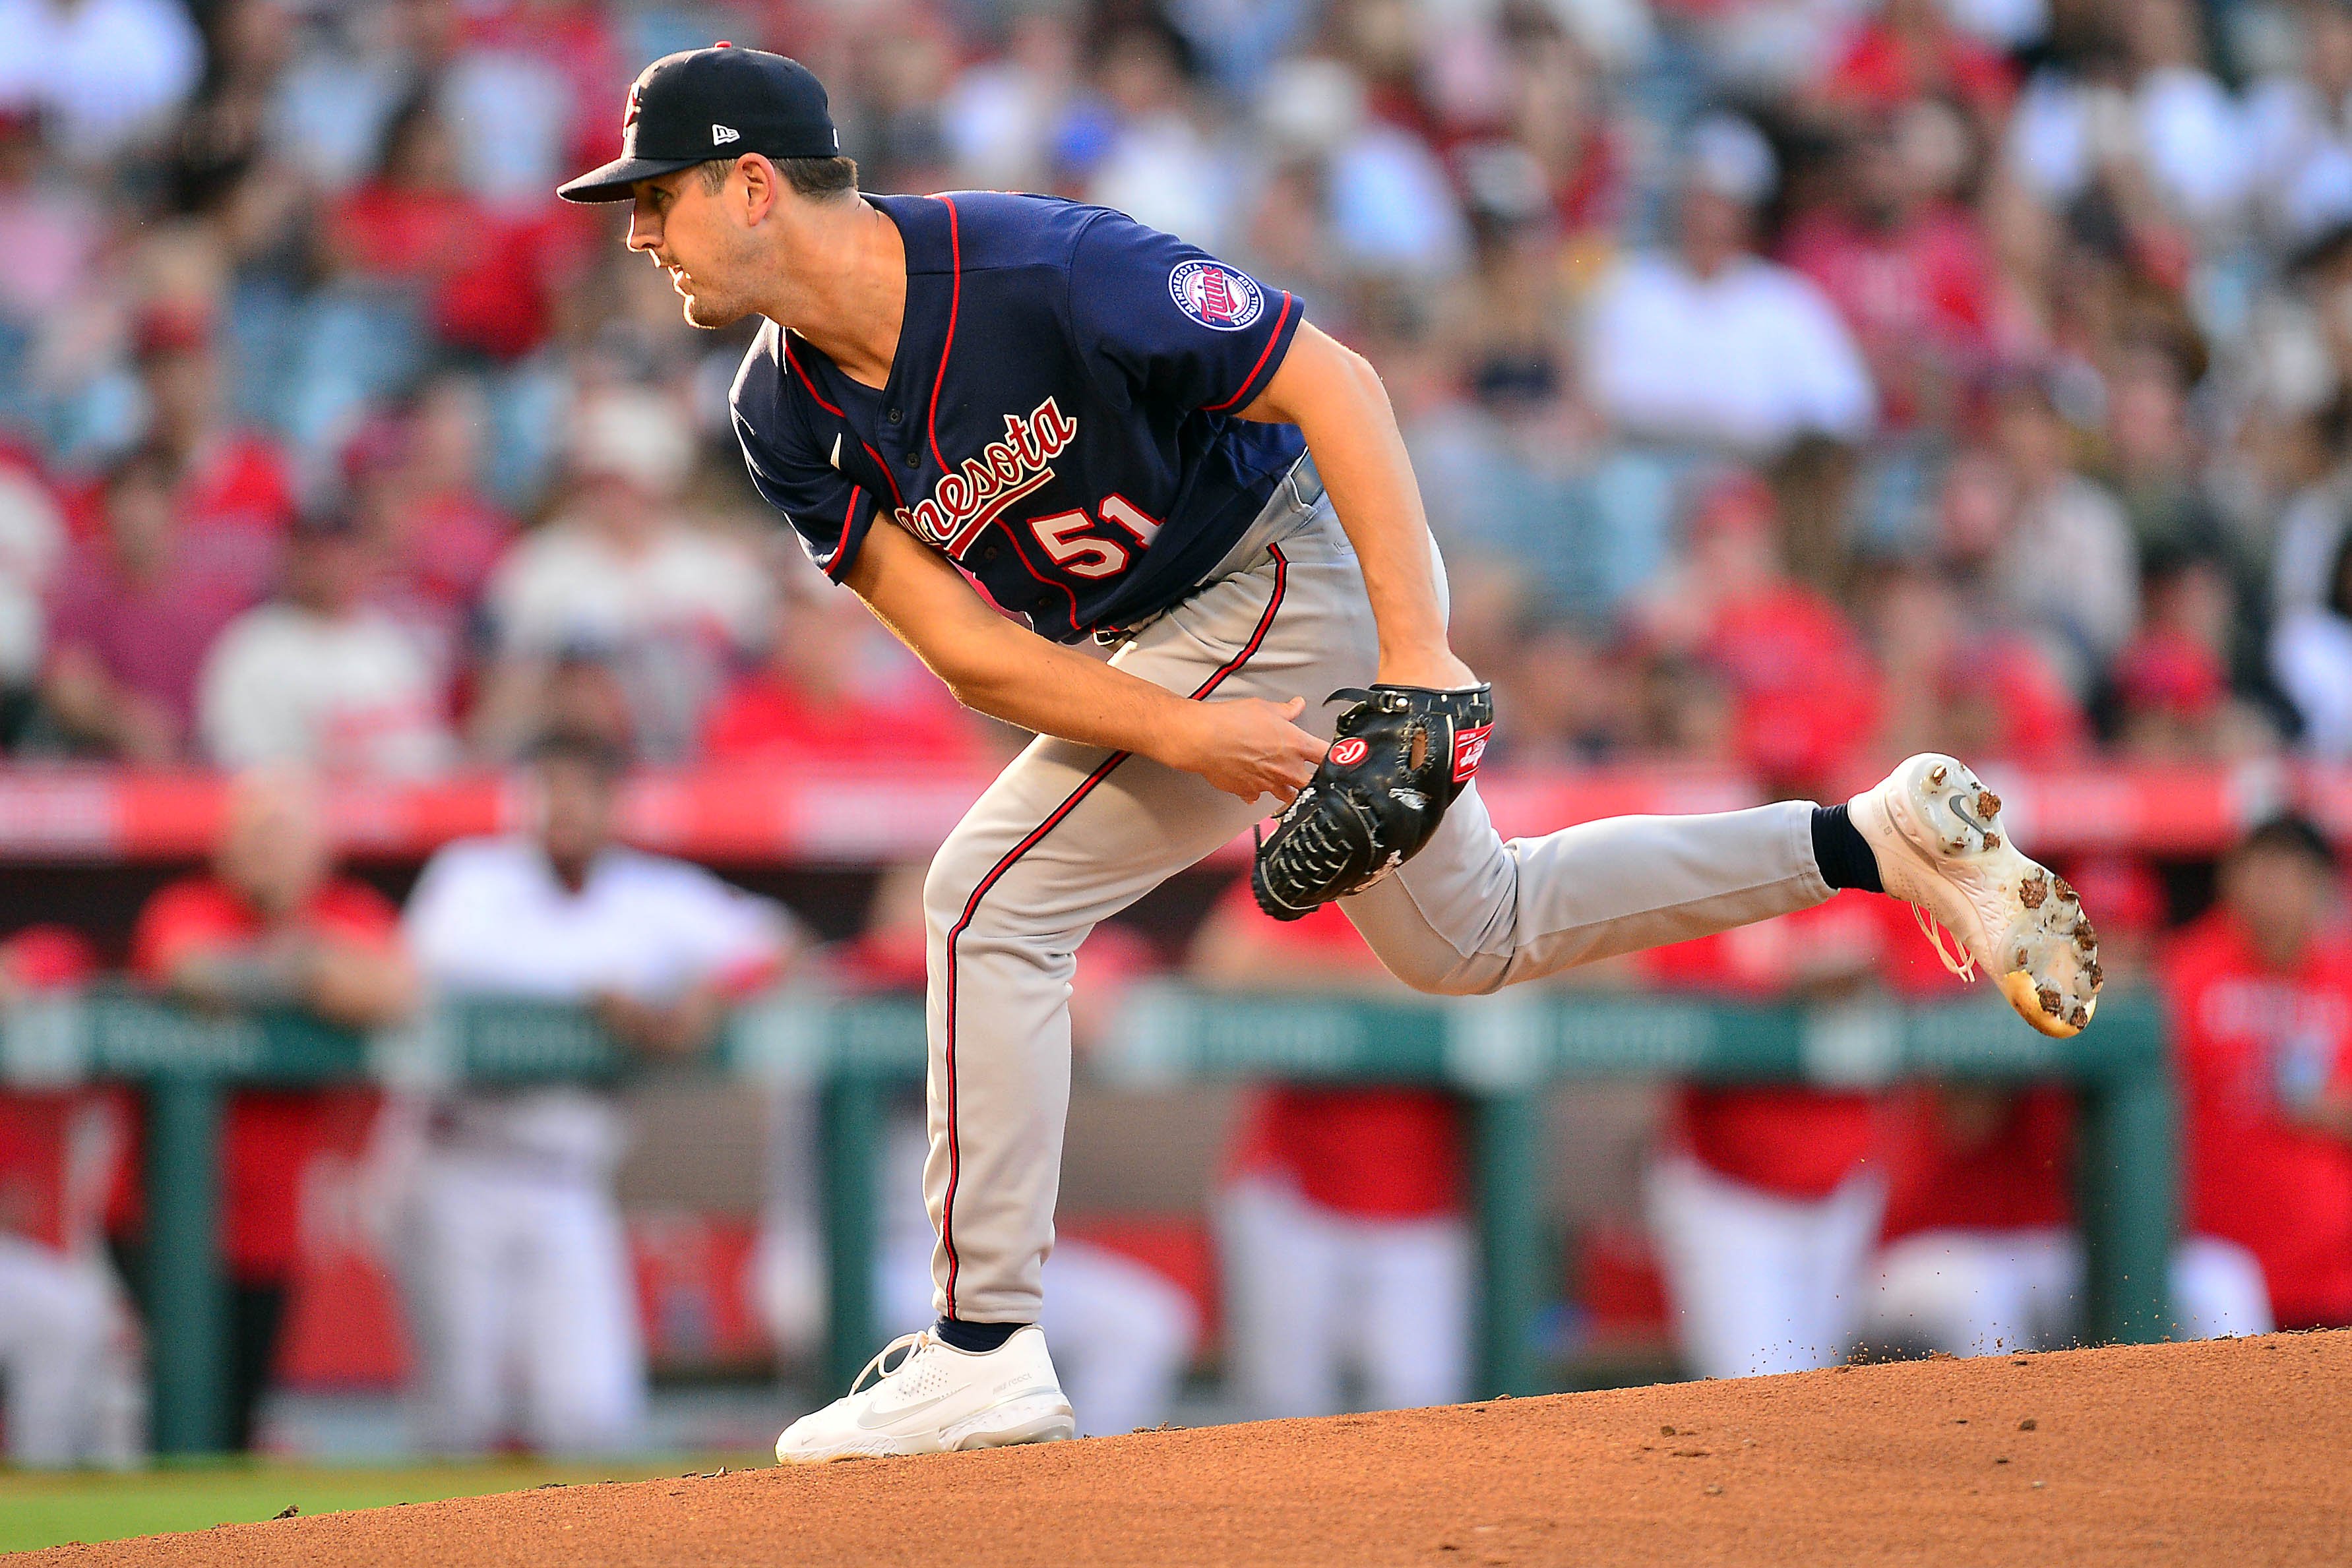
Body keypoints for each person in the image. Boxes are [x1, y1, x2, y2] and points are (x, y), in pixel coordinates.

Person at [555, 44, 2100, 1462]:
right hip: (1151, 647)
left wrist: (1418, 648)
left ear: (754, 182)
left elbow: (1330, 381)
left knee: (982, 899)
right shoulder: (777, 406)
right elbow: (961, 650)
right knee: (1471, 936)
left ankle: (982, 1338)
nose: (638, 232)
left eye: (657, 196)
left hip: (1273, 568)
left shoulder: (1037, 261)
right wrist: (1175, 726)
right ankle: (1869, 839)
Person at [398, 729, 793, 1455]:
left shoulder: (650, 892)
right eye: (548, 789)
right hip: (460, 1160)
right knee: (459, 1411)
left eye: (582, 791)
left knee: (591, 1414)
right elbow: (442, 958)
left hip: (567, 1177)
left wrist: (709, 991)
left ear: (616, 805)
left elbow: (775, 939)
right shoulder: (473, 875)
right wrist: (599, 988)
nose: (564, 807)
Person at [129, 766, 416, 1449]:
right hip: (166, 1212)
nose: (266, 854)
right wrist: (309, 971)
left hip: (271, 1220)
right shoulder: (187, 903)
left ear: (321, 851)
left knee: (237, 1413)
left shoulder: (347, 910)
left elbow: (395, 990)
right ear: (223, 848)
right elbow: (190, 969)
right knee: (180, 1405)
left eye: (283, 836)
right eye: (253, 836)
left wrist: (292, 963)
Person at [1191, 877, 1471, 1416]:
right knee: (1282, 1408)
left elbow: (1579, 970)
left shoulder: (1462, 880)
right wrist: (1407, 979)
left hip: (1424, 1199)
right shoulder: (1334, 867)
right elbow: (1224, 962)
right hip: (1293, 1186)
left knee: (1422, 1405)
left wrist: (1444, 978)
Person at [2167, 815, 2352, 1334]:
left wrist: (2333, 1111)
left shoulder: (2344, 977)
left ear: (2321, 888)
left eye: (2288, 874)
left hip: (2331, 1278)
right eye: (2258, 871)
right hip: (2208, 1270)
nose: (2271, 892)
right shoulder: (2184, 973)